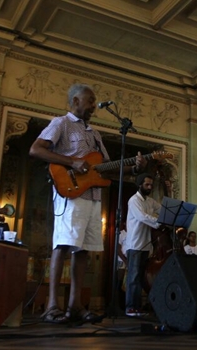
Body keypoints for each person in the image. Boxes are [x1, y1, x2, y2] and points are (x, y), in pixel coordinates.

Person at [29, 83, 146, 324]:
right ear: (75, 101)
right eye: (90, 100)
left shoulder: (95, 134)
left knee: (82, 249)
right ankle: (52, 306)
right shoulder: (60, 123)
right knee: (62, 245)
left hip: (93, 197)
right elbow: (36, 150)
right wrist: (71, 163)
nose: (94, 106)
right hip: (69, 194)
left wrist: (134, 167)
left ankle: (75, 306)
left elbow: (107, 169)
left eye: (94, 101)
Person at [124, 174, 160, 317]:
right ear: (140, 185)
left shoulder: (150, 201)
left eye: (151, 185)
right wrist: (159, 223)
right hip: (135, 244)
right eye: (147, 185)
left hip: (146, 245)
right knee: (133, 277)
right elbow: (142, 217)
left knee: (141, 278)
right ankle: (130, 308)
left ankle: (138, 307)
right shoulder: (133, 200)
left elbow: (162, 210)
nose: (150, 187)